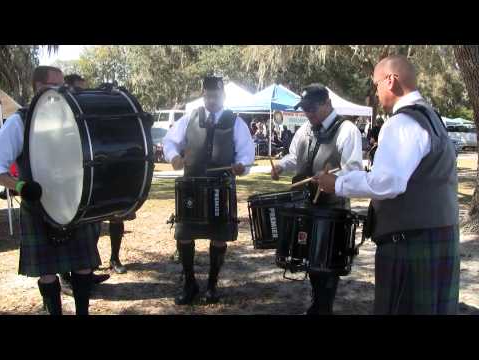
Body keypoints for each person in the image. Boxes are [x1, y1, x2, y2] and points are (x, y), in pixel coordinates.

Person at [313, 55, 460, 315]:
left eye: (376, 84)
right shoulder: (432, 119)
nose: (376, 91)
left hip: (409, 246)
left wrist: (338, 184)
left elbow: (388, 182)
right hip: (437, 237)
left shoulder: (402, 123)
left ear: (391, 81)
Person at [0, 66, 101, 315]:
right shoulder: (18, 122)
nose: (61, 90)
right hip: (39, 208)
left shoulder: (73, 119)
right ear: (38, 87)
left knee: (84, 266)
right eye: (55, 85)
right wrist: (21, 186)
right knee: (47, 272)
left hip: (75, 204)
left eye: (62, 85)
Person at [271, 84, 363, 314]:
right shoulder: (304, 129)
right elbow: (295, 156)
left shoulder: (347, 130)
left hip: (332, 210)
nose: (308, 114)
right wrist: (281, 166)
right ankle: (317, 304)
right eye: (305, 109)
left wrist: (333, 178)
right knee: (309, 258)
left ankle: (324, 307)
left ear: (327, 103)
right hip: (305, 207)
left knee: (327, 261)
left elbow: (353, 170)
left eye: (312, 109)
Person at [163, 75, 255, 305]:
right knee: (184, 234)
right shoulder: (189, 118)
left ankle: (212, 285)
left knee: (218, 236)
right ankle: (190, 284)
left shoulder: (235, 121)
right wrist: (174, 156)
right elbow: (169, 141)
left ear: (222, 96)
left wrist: (242, 165)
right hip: (191, 188)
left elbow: (246, 152)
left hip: (220, 187)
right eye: (207, 95)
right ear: (203, 95)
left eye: (215, 96)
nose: (211, 100)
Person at [58, 74, 110, 289]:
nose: (82, 95)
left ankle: (86, 272)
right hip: (63, 188)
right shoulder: (56, 116)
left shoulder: (83, 116)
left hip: (84, 184)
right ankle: (65, 278)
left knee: (91, 230)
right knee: (63, 236)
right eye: (79, 90)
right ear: (67, 88)